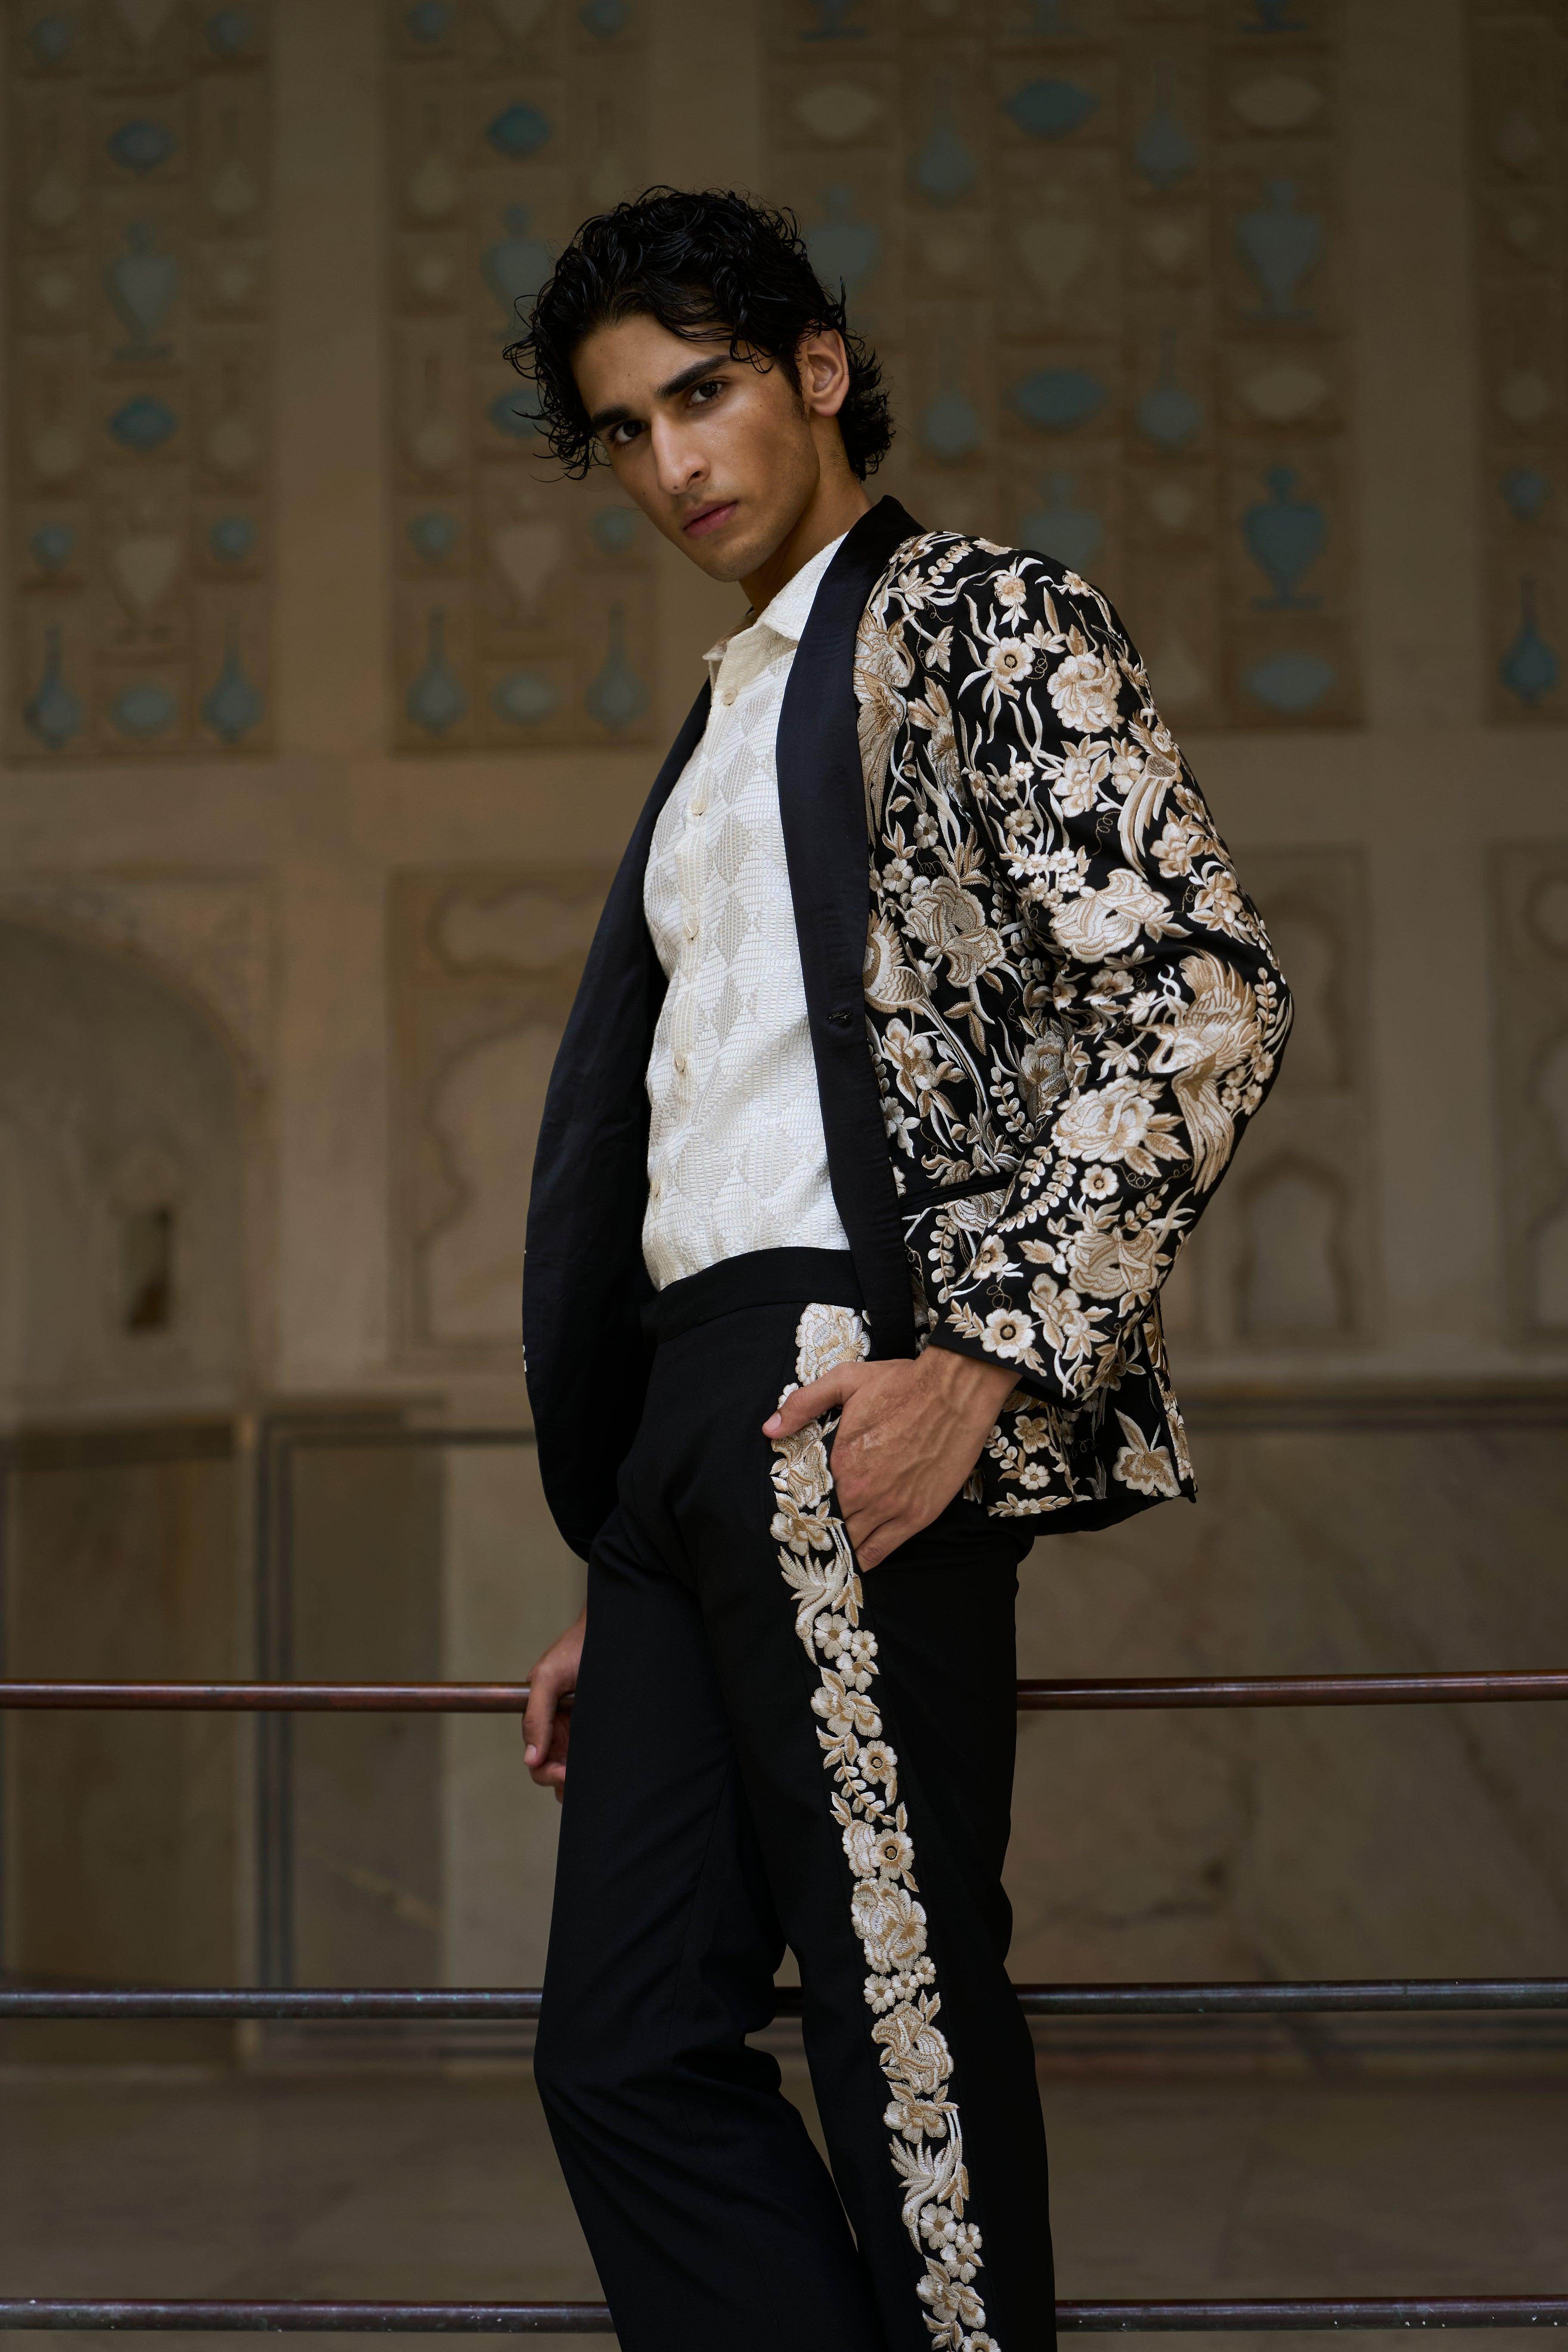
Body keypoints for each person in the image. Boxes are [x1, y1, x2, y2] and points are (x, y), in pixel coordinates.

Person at [510, 187, 1291, 2352]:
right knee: (618, 2051)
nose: (672, 462)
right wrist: (640, 1547)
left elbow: (1201, 995)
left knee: (900, 2035)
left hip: (848, 1369)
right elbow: (707, 1119)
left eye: (704, 392)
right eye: (625, 431)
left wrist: (987, 1357)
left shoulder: (976, 618)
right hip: (689, 1425)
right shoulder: (719, 720)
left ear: (817, 372)